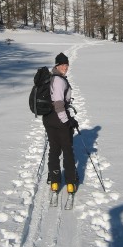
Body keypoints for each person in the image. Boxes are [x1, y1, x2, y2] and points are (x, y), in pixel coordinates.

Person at [43, 52, 79, 194]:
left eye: (66, 64)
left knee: (54, 149)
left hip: (48, 118)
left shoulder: (52, 78)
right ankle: (70, 182)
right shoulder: (59, 81)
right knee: (67, 151)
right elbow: (58, 104)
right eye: (62, 64)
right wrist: (67, 121)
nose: (65, 67)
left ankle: (55, 182)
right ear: (57, 65)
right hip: (59, 118)